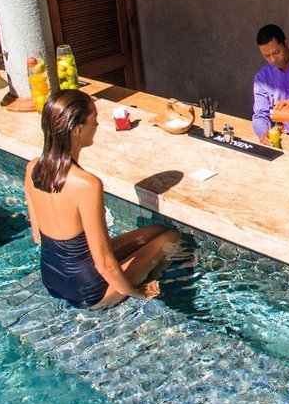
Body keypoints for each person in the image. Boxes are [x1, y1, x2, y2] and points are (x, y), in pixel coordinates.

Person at [24, 90, 180, 309]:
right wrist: (138, 292)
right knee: (171, 237)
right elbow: (105, 264)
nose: (97, 125)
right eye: (94, 120)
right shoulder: (87, 185)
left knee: (155, 231)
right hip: (89, 293)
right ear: (78, 129)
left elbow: (38, 237)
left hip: (51, 278)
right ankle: (147, 285)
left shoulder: (33, 167)